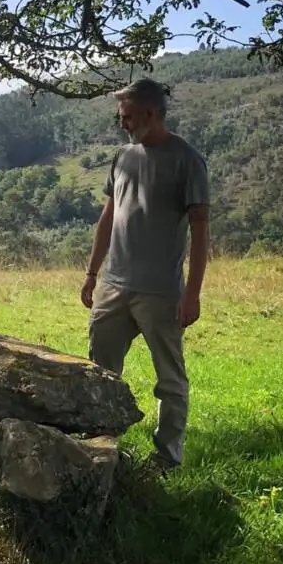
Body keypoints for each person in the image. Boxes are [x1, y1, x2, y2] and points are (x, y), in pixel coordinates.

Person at [81, 78, 210, 472]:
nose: (122, 123)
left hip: (161, 292)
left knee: (169, 380)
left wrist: (192, 294)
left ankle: (167, 458)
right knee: (99, 372)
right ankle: (99, 446)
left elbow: (201, 229)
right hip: (114, 286)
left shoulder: (187, 159)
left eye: (128, 117)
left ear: (152, 114)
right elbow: (109, 216)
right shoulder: (122, 157)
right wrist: (92, 273)